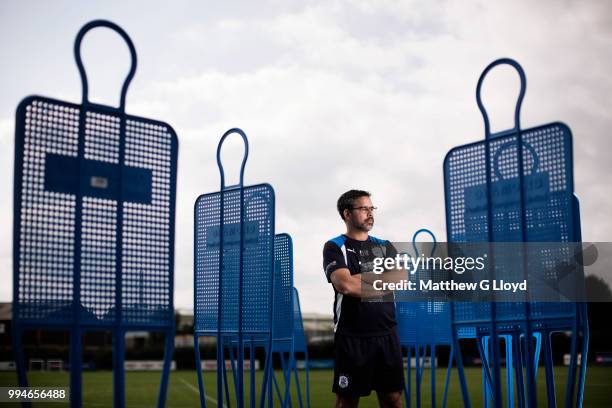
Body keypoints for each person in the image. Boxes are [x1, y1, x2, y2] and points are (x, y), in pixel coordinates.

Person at [323, 189, 404, 408]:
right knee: (347, 401)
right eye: (363, 209)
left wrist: (360, 278)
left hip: (387, 333)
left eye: (371, 208)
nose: (370, 213)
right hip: (351, 336)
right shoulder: (334, 246)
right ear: (347, 214)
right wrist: (381, 280)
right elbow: (345, 285)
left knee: (393, 399)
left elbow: (399, 279)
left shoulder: (385, 246)